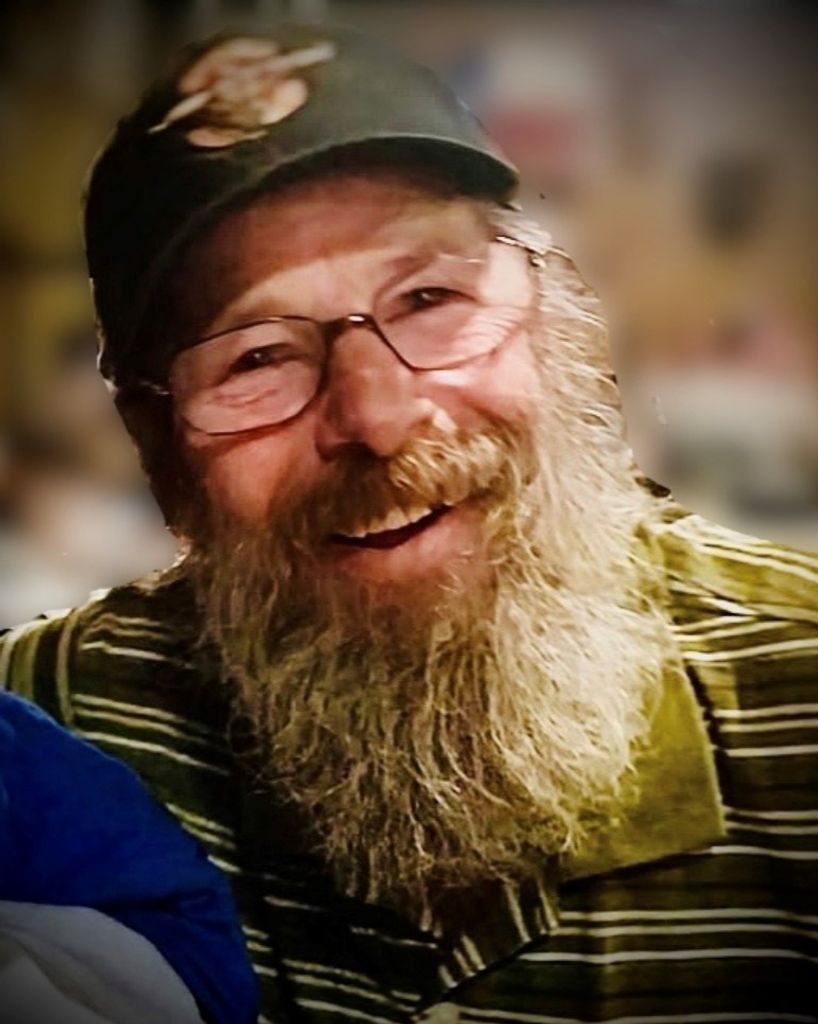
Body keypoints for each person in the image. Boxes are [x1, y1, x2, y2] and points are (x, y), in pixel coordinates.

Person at [2, 23, 817, 1024]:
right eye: (256, 357)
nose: (379, 418)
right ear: (155, 443)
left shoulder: (802, 693)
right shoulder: (45, 722)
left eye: (430, 297)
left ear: (558, 321)